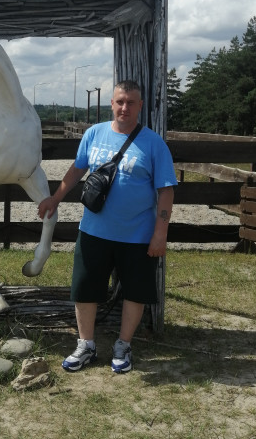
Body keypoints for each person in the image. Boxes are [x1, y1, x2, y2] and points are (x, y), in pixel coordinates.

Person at [38, 80, 177, 373]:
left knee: (135, 292)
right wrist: (55, 198)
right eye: (120, 101)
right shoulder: (94, 134)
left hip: (137, 235)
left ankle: (123, 345)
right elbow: (77, 169)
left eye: (131, 102)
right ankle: (86, 344)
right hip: (94, 231)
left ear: (140, 106)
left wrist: (160, 234)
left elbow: (166, 190)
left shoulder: (154, 144)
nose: (124, 107)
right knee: (85, 288)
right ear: (111, 104)